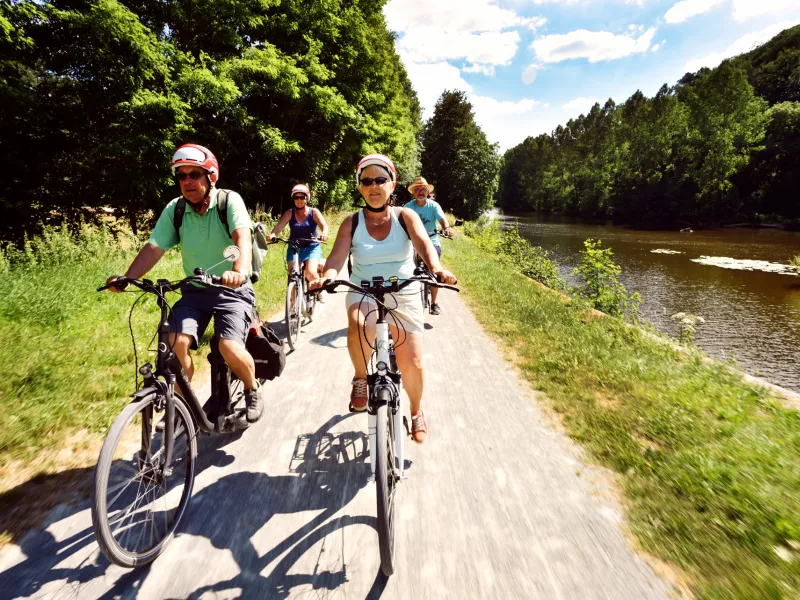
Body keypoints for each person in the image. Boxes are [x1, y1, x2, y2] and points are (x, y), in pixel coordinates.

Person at [106, 144, 264, 422]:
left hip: (231, 290)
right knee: (175, 342)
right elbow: (155, 247)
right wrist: (129, 278)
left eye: (195, 174)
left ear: (210, 177)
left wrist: (238, 271)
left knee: (228, 347)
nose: (187, 181)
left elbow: (242, 237)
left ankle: (252, 388)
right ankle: (183, 405)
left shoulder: (229, 201)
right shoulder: (176, 209)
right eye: (182, 176)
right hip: (195, 291)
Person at [310, 154, 457, 443]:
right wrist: (327, 274)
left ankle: (416, 411)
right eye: (367, 181)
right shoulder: (351, 222)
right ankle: (360, 378)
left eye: (380, 180)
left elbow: (424, 244)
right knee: (359, 324)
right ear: (360, 187)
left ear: (392, 184)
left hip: (403, 289)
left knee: (411, 361)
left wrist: (437, 269)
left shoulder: (406, 216)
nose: (374, 186)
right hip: (363, 288)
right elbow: (338, 255)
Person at [404, 177, 453, 315]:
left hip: (432, 242)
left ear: (428, 192)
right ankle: (405, 300)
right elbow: (400, 222)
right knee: (406, 271)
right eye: (417, 189)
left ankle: (434, 303)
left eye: (423, 189)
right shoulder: (408, 207)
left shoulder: (433, 206)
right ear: (413, 192)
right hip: (412, 243)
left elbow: (443, 220)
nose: (421, 191)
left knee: (434, 271)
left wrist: (447, 228)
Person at [268, 184, 329, 285]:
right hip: (294, 247)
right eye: (296, 197)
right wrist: (273, 234)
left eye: (302, 197)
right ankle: (291, 300)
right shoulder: (289, 213)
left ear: (307, 198)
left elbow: (324, 226)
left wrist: (324, 233)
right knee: (292, 273)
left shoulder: (314, 212)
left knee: (310, 273)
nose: (299, 200)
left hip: (311, 247)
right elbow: (279, 226)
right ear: (293, 199)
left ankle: (318, 290)